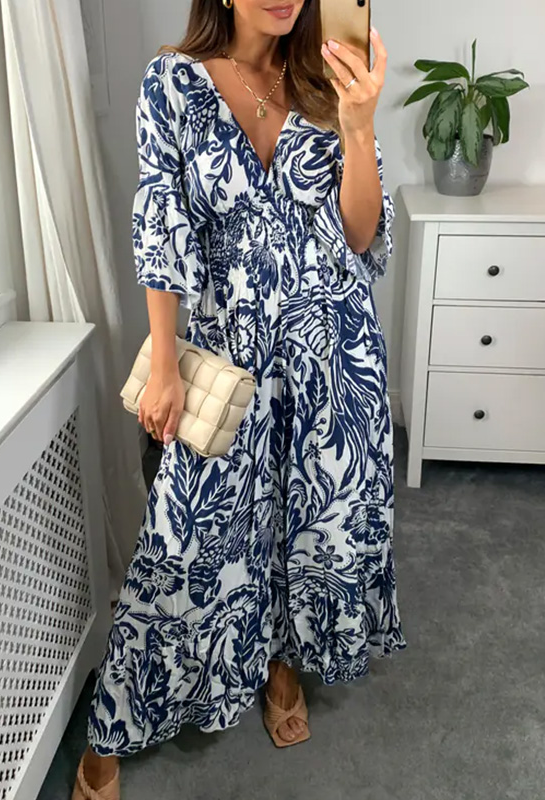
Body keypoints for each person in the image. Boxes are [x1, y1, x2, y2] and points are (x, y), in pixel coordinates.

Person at [72, 0, 407, 797]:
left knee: (311, 529)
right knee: (183, 545)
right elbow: (162, 226)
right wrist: (163, 363)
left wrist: (360, 126)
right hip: (230, 352)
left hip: (334, 355)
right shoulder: (174, 83)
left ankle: (282, 667)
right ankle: (115, 722)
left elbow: (362, 236)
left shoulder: (328, 81)